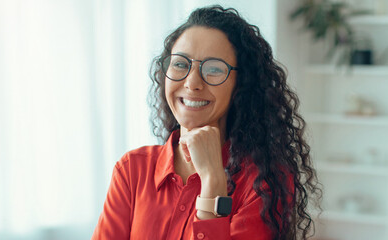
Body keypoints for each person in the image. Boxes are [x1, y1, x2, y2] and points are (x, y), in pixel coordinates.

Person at [92, 5, 321, 240]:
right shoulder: (132, 170)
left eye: (213, 69)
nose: (192, 83)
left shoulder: (264, 181)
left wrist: (213, 182)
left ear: (241, 84)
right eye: (180, 64)